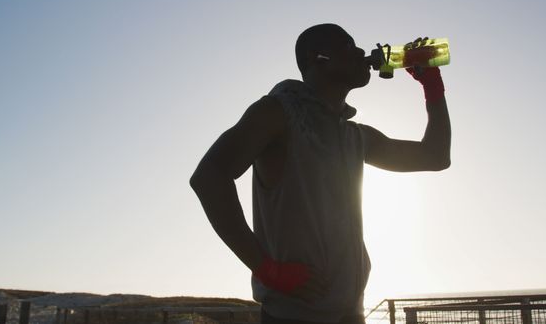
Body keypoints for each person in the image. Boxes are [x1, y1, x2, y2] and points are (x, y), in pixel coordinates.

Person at [190, 23, 451, 324]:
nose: (360, 53)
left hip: (351, 313)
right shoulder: (276, 112)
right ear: (318, 58)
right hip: (293, 316)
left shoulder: (355, 136)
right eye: (348, 46)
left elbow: (435, 156)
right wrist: (267, 269)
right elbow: (208, 177)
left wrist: (432, 86)